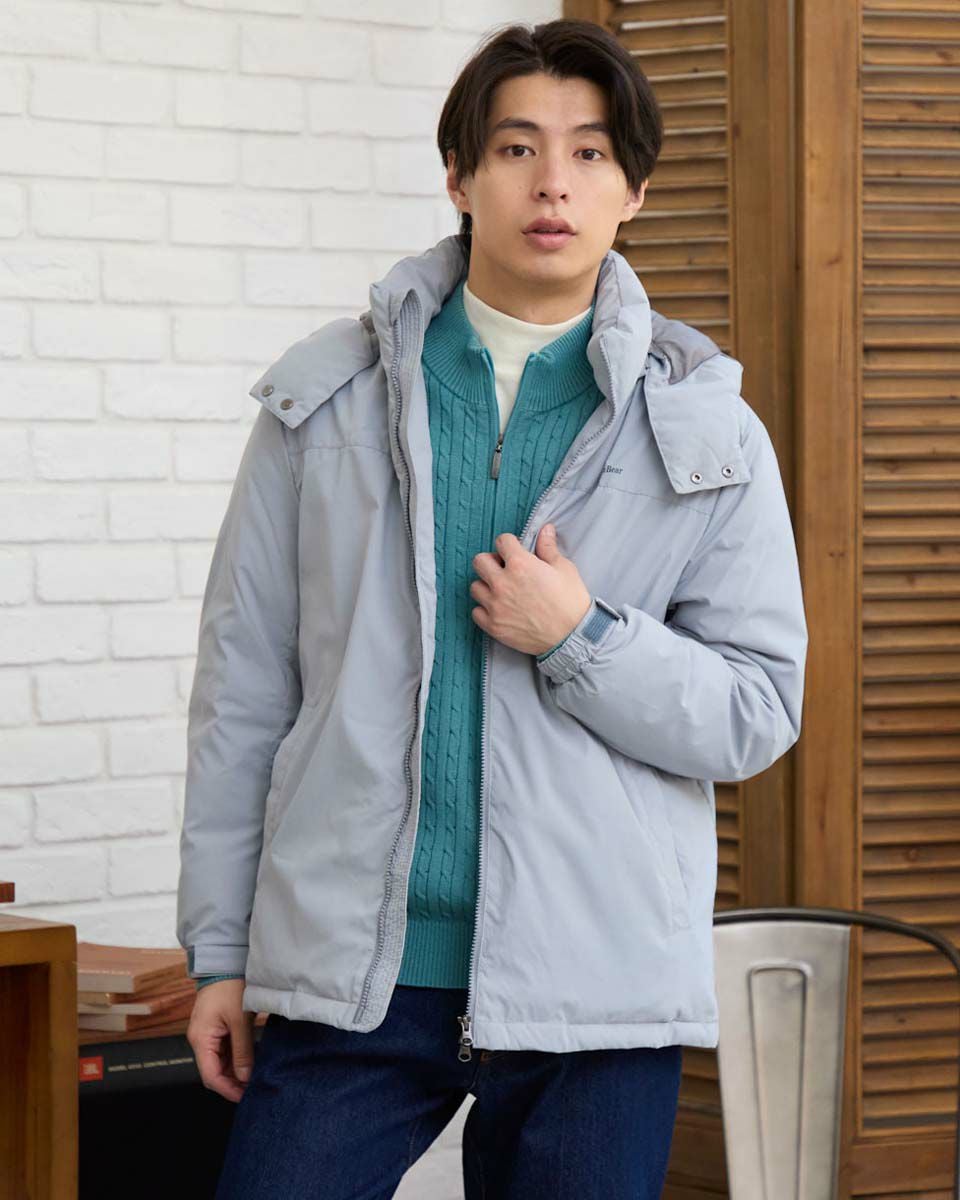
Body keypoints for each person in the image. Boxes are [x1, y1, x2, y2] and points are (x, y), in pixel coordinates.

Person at [176, 17, 808, 1200]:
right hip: (357, 973)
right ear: (460, 177)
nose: (552, 182)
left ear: (634, 192)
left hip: (597, 983)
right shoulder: (325, 405)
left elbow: (757, 710)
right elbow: (245, 694)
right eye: (517, 148)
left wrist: (581, 640)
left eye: (590, 153)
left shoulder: (708, 433)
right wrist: (218, 954)